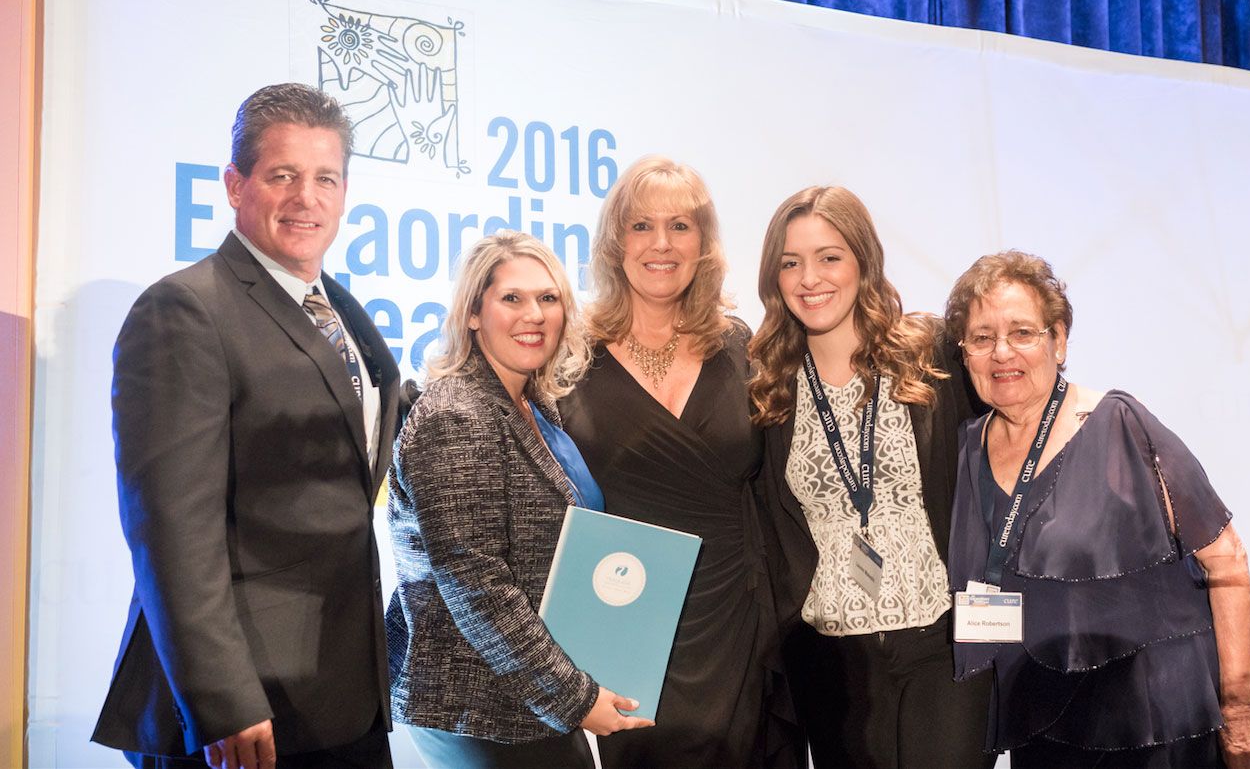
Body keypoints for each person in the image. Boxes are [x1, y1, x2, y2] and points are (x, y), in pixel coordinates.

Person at [92, 83, 402, 769]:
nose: (306, 198)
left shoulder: (344, 314)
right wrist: (222, 699)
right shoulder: (184, 311)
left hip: (341, 694)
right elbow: (171, 529)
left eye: (326, 178)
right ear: (235, 185)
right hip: (243, 710)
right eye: (282, 175)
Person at [943, 250, 1250, 768]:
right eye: (982, 338)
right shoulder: (964, 447)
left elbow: (1226, 559)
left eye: (1022, 333)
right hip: (1042, 724)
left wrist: (1240, 704)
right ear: (965, 354)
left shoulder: (1120, 425)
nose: (1001, 352)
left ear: (1060, 340)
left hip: (1153, 722)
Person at [559, 156, 796, 768]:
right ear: (615, 243)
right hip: (631, 623)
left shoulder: (743, 347)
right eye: (641, 226)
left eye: (680, 226)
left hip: (738, 617)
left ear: (704, 243)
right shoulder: (569, 359)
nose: (660, 244)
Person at [386, 231, 652, 768]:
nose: (533, 314)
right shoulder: (457, 416)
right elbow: (477, 587)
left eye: (548, 298)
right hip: (479, 710)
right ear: (474, 313)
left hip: (534, 700)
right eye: (512, 298)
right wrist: (574, 696)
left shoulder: (534, 405)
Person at [749, 185, 993, 769]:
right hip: (831, 663)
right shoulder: (765, 387)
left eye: (829, 256)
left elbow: (1015, 429)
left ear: (863, 260)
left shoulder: (931, 353)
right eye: (791, 262)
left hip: (944, 642)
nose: (810, 278)